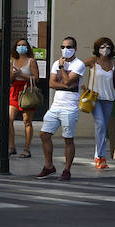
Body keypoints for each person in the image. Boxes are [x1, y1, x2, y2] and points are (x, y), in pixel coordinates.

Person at [37, 35, 85, 180]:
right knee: (44, 134)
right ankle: (49, 166)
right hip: (55, 105)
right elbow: (52, 84)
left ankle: (67, 170)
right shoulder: (55, 63)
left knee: (68, 139)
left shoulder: (79, 64)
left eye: (69, 47)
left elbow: (67, 79)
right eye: (63, 47)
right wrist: (66, 85)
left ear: (75, 49)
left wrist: (62, 68)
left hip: (70, 107)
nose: (65, 49)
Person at [83, 36, 115, 170]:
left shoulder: (114, 63)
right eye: (102, 46)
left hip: (109, 98)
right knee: (100, 124)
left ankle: (97, 154)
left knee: (103, 128)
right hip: (94, 98)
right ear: (97, 48)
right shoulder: (93, 61)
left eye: (108, 47)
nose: (105, 49)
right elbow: (77, 69)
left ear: (111, 49)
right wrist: (82, 87)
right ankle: (100, 157)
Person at [7, 37, 41, 158]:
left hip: (27, 90)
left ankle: (27, 148)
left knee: (27, 121)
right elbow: (10, 79)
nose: (21, 47)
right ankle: (11, 146)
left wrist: (21, 74)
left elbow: (36, 78)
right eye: (19, 45)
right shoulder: (13, 60)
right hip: (15, 89)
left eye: (24, 45)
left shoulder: (31, 61)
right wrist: (13, 74)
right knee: (9, 119)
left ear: (27, 47)